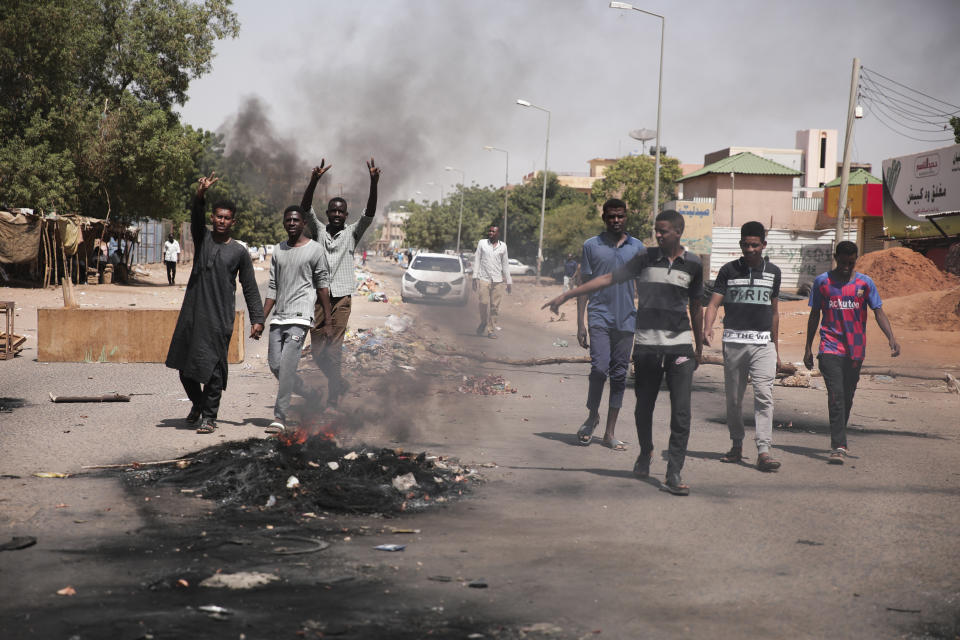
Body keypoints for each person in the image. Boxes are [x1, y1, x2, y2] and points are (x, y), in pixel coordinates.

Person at [544, 209, 704, 496]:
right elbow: (607, 279)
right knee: (644, 407)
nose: (657, 235)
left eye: (663, 231)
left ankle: (674, 470)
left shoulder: (693, 263)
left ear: (678, 232)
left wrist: (700, 346)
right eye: (656, 230)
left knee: (682, 413)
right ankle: (645, 452)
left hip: (680, 347)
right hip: (646, 346)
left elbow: (695, 305)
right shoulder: (644, 258)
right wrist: (568, 294)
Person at [165, 172, 265, 434]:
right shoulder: (203, 238)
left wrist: (257, 319)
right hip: (193, 313)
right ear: (213, 218)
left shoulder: (240, 252)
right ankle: (197, 404)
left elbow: (251, 287)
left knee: (213, 371)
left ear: (233, 221)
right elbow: (196, 214)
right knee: (185, 368)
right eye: (218, 216)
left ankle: (209, 417)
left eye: (226, 217)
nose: (222, 220)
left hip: (219, 318)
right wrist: (201, 193)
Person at [803, 241, 900, 464]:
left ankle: (839, 436)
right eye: (843, 261)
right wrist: (808, 347)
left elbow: (878, 312)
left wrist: (891, 338)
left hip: (855, 350)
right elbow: (814, 315)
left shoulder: (865, 283)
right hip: (829, 347)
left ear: (856, 259)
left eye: (851, 261)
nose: (847, 266)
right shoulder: (823, 282)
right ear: (836, 257)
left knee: (847, 397)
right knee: (836, 396)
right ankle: (838, 445)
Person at [301, 157, 381, 407]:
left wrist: (373, 182)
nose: (336, 214)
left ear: (346, 215)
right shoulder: (319, 231)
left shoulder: (352, 233)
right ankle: (339, 382)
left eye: (341, 211)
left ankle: (334, 395)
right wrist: (314, 180)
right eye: (332, 211)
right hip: (317, 298)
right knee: (316, 353)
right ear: (328, 214)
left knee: (334, 351)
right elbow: (305, 209)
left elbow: (369, 212)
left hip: (342, 299)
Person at [703, 221, 783, 472]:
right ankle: (737, 445)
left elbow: (774, 312)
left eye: (755, 245)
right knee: (734, 399)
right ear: (740, 245)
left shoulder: (774, 272)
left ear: (763, 245)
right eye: (746, 245)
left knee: (764, 395)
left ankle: (764, 450)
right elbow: (714, 304)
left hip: (762, 345)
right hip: (734, 344)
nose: (750, 250)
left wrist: (775, 346)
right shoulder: (728, 271)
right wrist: (708, 327)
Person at [574, 199, 645, 451]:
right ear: (604, 218)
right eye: (611, 216)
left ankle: (609, 433)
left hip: (626, 319)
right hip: (599, 316)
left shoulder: (638, 247)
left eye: (620, 216)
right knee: (599, 369)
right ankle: (592, 416)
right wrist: (580, 323)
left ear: (627, 217)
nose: (616, 220)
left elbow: (644, 288)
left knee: (618, 375)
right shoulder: (591, 246)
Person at [262, 206, 333, 432]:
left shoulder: (315, 250)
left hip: (301, 316)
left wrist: (328, 321)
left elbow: (322, 286)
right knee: (275, 365)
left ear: (303, 223)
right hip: (279, 317)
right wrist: (260, 319)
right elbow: (273, 286)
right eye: (288, 220)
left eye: (296, 220)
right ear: (284, 223)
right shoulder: (279, 250)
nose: (291, 223)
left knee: (288, 365)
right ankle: (311, 393)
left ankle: (280, 417)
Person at [472, 224, 512, 339]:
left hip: (498, 281)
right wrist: (475, 277)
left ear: (498, 234)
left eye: (493, 232)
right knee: (483, 303)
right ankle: (483, 321)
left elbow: (505, 265)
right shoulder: (482, 243)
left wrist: (509, 281)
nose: (490, 233)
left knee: (495, 306)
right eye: (489, 231)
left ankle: (491, 329)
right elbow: (477, 260)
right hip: (484, 278)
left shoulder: (503, 246)